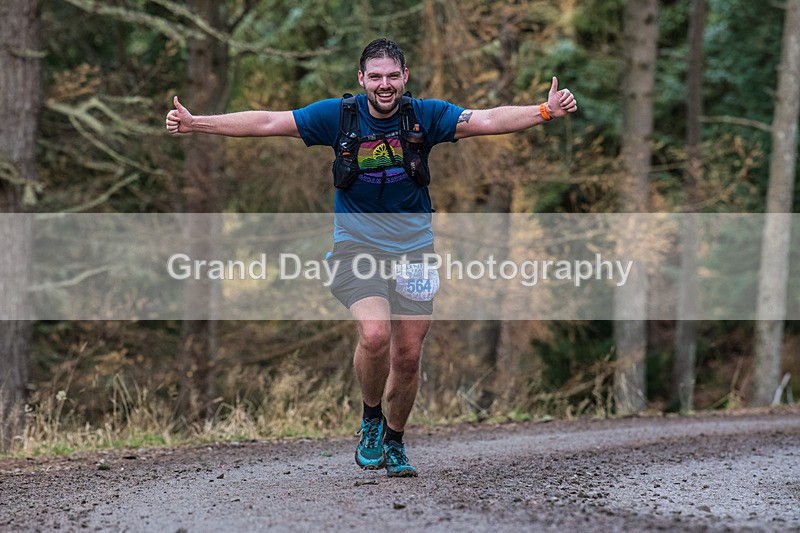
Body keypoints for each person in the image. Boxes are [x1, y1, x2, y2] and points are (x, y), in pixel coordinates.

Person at [166, 38, 578, 477]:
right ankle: (370, 419)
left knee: (408, 356)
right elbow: (269, 121)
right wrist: (196, 123)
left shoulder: (425, 115)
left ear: (405, 77)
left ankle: (395, 442)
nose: (385, 85)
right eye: (376, 77)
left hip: (415, 251)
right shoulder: (338, 116)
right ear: (362, 79)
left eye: (393, 76)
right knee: (376, 334)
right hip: (356, 248)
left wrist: (544, 110)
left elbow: (487, 119)